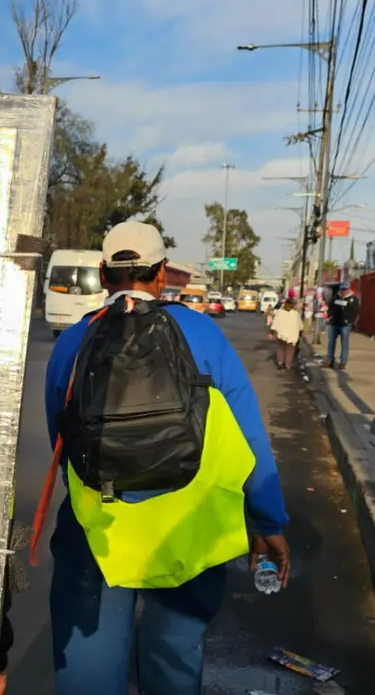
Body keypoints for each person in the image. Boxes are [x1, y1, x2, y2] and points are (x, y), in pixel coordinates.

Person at [35, 221, 291, 695]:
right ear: (161, 274)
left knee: (89, 664)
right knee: (173, 654)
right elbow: (249, 438)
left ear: (103, 273)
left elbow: (62, 441)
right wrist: (267, 523)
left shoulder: (73, 341)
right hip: (187, 527)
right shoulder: (202, 333)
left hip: (101, 531)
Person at [326, 284, 360, 370]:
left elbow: (355, 311)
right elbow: (330, 307)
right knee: (331, 343)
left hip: (345, 325)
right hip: (334, 323)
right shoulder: (336, 297)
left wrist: (350, 321)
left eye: (345, 290)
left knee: (344, 344)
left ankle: (343, 362)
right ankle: (330, 360)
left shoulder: (353, 299)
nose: (343, 292)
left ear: (348, 290)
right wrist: (330, 315)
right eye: (342, 290)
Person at [270, 299, 304, 369]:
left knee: (280, 348)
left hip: (281, 335)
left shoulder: (280, 312)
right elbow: (300, 326)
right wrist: (300, 334)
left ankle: (280, 362)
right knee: (290, 351)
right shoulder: (296, 314)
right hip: (292, 336)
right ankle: (287, 364)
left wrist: (271, 332)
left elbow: (275, 323)